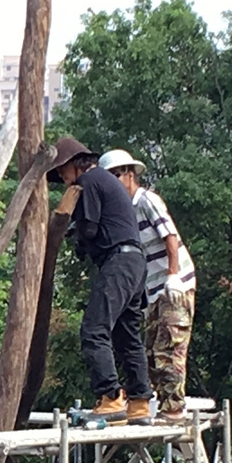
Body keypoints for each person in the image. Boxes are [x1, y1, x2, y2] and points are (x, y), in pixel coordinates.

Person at [48, 138, 152, 424]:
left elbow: (91, 229)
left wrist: (73, 231)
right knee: (127, 335)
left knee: (94, 330)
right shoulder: (107, 182)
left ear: (73, 164)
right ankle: (140, 402)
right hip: (135, 262)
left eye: (62, 172)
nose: (62, 178)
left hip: (118, 261)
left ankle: (111, 397)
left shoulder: (91, 180)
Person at [98, 149, 196, 423]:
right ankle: (164, 405)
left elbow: (170, 236)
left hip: (173, 284)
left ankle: (174, 408)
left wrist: (173, 275)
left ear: (129, 174)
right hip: (152, 290)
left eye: (116, 175)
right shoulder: (124, 211)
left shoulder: (146, 200)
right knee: (152, 350)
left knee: (170, 347)